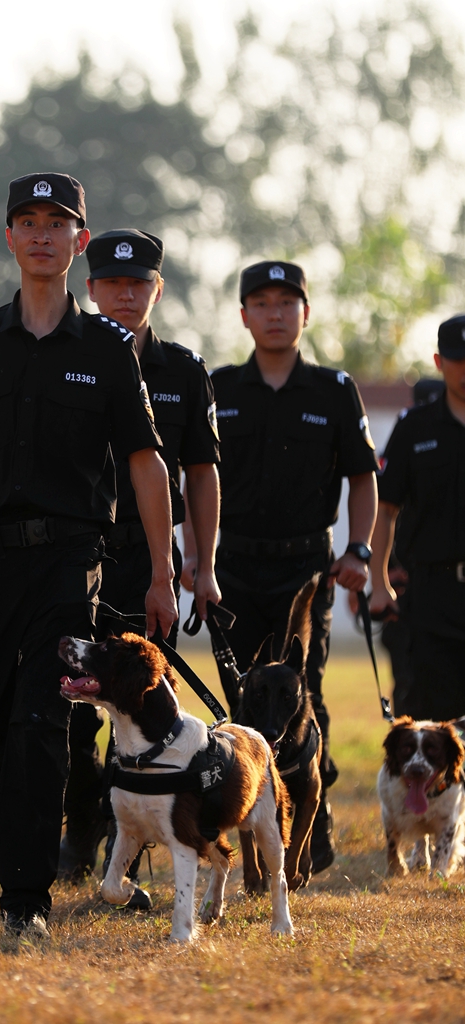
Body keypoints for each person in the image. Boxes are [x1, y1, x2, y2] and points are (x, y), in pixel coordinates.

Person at [0, 173, 177, 941]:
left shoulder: (108, 348)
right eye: (28, 220)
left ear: (78, 241)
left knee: (40, 719)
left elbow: (145, 461)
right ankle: (22, 841)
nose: (42, 233)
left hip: (67, 563)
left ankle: (25, 900)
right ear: (9, 237)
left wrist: (162, 572)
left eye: (57, 222)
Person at [60, 228, 221, 899]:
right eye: (112, 284)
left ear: (157, 289)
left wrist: (202, 566)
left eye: (139, 284)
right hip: (76, 552)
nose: (126, 295)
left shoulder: (183, 369)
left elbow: (201, 472)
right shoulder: (63, 354)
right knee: (73, 703)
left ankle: (138, 834)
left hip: (147, 556)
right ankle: (79, 829)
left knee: (141, 700)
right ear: (90, 288)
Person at [209, 260, 378, 871]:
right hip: (233, 569)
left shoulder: (333, 390)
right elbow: (193, 477)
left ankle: (312, 820)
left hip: (306, 570)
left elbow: (363, 477)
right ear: (244, 315)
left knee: (305, 694)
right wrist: (193, 557)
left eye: (287, 302)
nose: (274, 314)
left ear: (305, 313)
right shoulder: (220, 387)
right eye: (262, 303)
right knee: (241, 700)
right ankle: (252, 827)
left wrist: (359, 550)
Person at [370, 315, 465, 721]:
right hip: (431, 597)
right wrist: (378, 583)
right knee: (433, 721)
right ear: (439, 362)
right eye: (457, 359)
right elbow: (385, 509)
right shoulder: (415, 428)